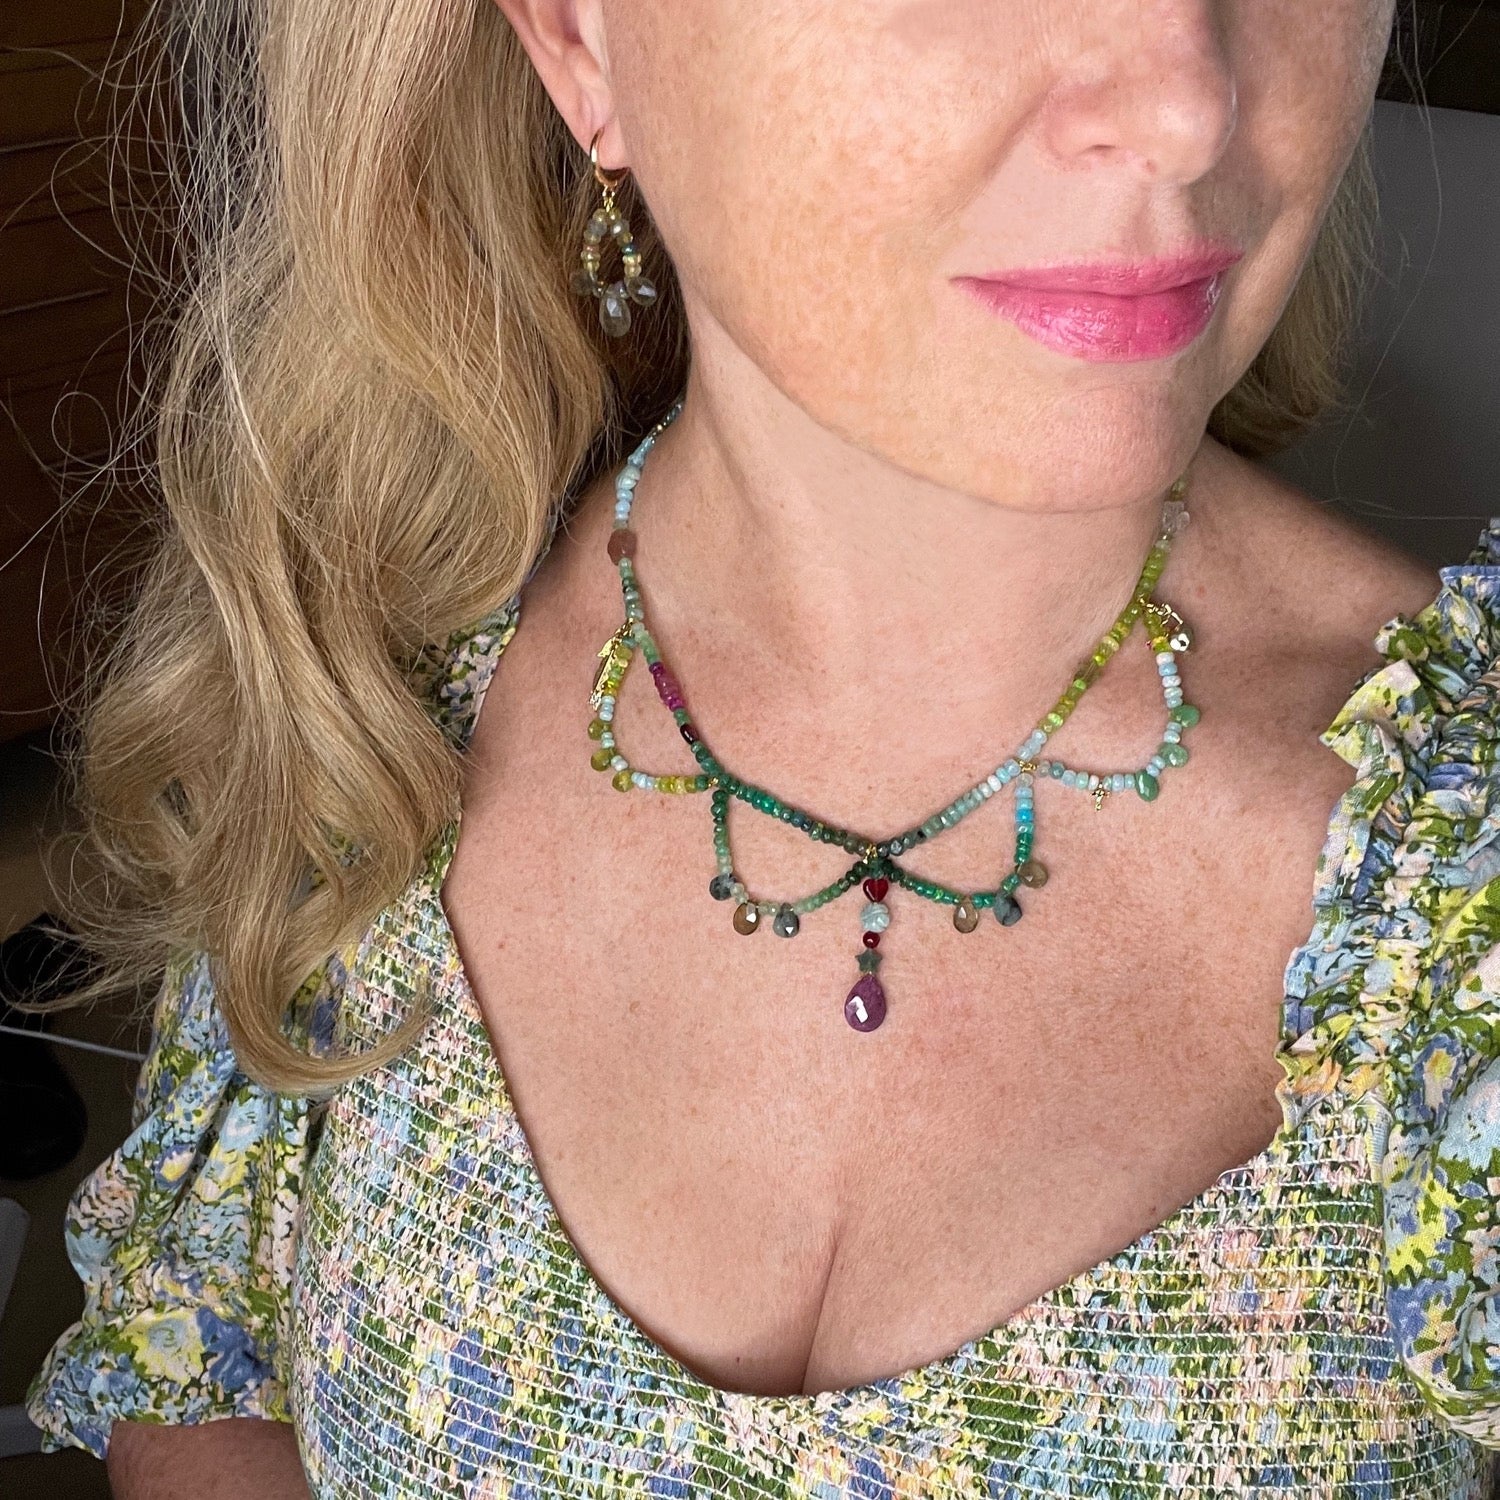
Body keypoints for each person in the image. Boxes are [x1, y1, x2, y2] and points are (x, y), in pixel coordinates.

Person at [21, 0, 1500, 1493]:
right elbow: (203, 1365)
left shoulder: (1458, 876)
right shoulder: (369, 695)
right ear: (579, 40)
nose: (1185, 104)